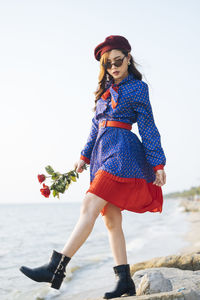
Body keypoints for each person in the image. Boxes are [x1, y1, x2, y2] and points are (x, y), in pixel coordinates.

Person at [19, 35, 166, 299]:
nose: (114, 67)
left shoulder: (137, 89)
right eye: (108, 64)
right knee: (110, 219)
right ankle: (124, 281)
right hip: (101, 152)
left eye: (118, 61)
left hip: (122, 152)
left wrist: (158, 162)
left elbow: (148, 126)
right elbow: (94, 127)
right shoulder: (103, 91)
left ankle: (56, 267)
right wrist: (84, 156)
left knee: (88, 205)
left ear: (128, 58)